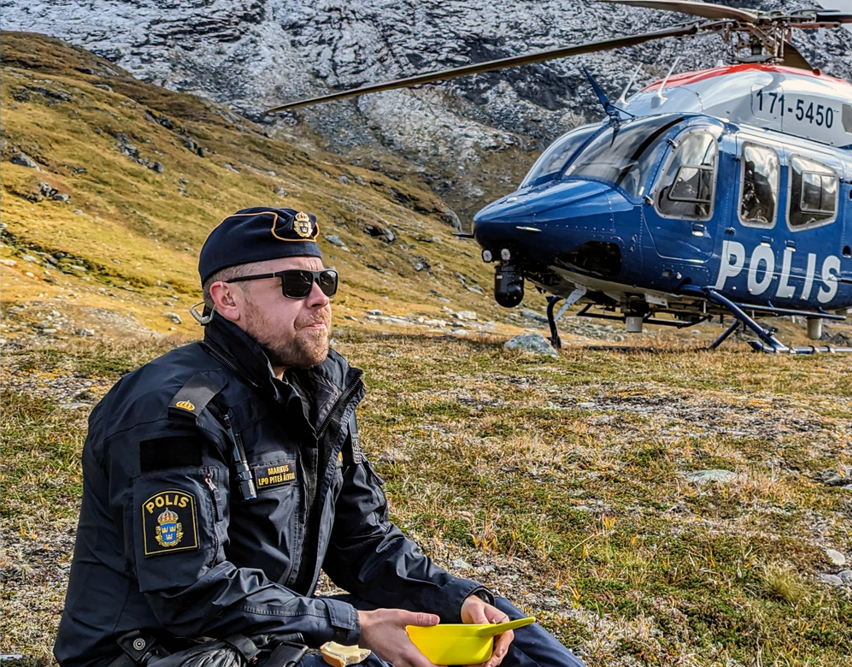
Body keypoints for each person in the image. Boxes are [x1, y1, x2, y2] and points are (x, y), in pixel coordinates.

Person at [54, 207, 586, 667]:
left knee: (501, 625)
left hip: (263, 631)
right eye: (292, 285)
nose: (319, 300)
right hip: (157, 649)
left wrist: (457, 598)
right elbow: (189, 590)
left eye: (324, 281)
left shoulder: (318, 390)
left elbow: (363, 544)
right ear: (227, 299)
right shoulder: (173, 411)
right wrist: (352, 623)